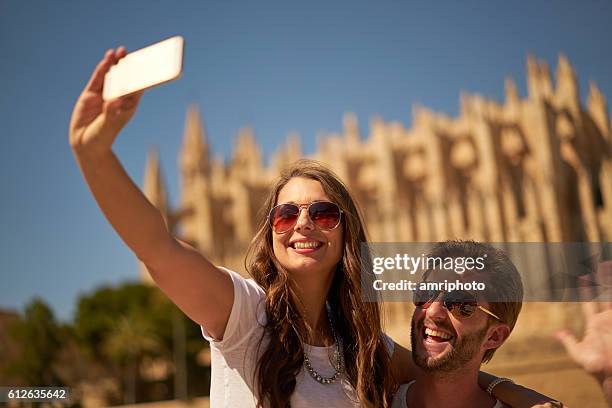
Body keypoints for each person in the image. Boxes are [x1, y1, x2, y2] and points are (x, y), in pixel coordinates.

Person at [69, 47, 563, 408]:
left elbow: (457, 375)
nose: (302, 223)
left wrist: (517, 394)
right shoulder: (242, 316)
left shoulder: (368, 349)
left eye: (323, 213)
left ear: (347, 234)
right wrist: (94, 154)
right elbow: (156, 246)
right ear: (270, 232)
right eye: (286, 213)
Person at [392, 241, 545, 408]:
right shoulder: (371, 399)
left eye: (459, 303)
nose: (432, 311)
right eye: (427, 292)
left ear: (495, 336)